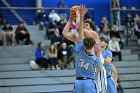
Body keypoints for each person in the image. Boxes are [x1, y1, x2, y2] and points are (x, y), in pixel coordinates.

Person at [63, 5, 102, 93]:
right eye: (83, 25)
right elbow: (65, 33)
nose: (84, 26)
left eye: (86, 25)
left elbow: (78, 28)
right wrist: (71, 19)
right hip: (90, 70)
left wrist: (78, 15)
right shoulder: (80, 40)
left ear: (91, 27)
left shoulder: (93, 34)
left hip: (95, 69)